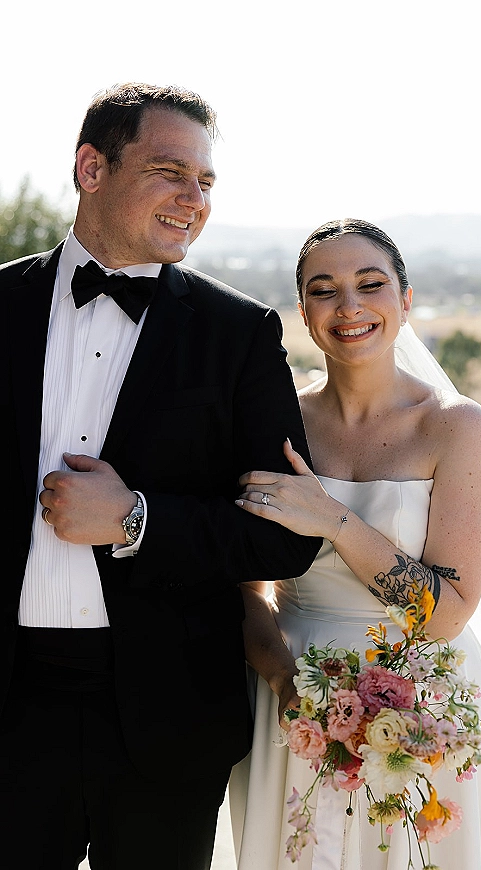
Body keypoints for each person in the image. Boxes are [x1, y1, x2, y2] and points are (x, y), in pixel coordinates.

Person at [0, 82, 321, 870]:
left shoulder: (240, 334)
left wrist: (136, 520)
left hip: (166, 717)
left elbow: (285, 541)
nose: (193, 198)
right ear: (92, 167)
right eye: (170, 171)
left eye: (206, 181)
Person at [228, 219, 481, 869]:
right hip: (292, 700)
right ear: (303, 312)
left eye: (371, 284)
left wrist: (335, 521)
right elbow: (244, 580)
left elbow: (445, 613)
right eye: (324, 289)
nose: (350, 305)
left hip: (429, 702)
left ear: (406, 300)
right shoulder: (274, 420)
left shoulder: (454, 426)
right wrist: (279, 675)